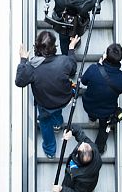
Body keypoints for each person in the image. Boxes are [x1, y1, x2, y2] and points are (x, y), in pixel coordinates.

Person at [15, 30, 79, 158]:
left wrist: (23, 60)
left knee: (44, 123)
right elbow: (73, 68)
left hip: (44, 103)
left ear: (37, 47)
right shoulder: (63, 61)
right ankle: (57, 124)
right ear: (54, 47)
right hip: (63, 100)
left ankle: (50, 151)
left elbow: (20, 81)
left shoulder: (31, 67)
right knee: (57, 112)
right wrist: (71, 49)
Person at [52, 127, 102, 192]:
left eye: (82, 145)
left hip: (76, 186)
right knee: (87, 188)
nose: (83, 142)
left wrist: (62, 189)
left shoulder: (81, 177)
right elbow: (82, 136)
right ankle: (90, 190)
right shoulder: (93, 150)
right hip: (90, 183)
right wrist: (72, 131)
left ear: (78, 153)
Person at [80, 43, 122, 153]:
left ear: (106, 55)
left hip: (90, 105)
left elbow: (84, 81)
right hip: (107, 111)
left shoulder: (94, 69)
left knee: (92, 114)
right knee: (104, 128)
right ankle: (99, 149)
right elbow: (120, 91)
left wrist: (99, 65)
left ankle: (92, 118)